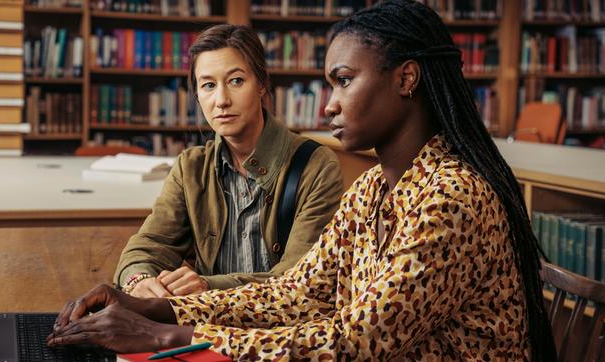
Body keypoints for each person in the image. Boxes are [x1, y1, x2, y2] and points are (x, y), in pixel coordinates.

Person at [47, 1, 556, 360]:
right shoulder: (374, 188)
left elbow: (356, 343)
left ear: (405, 79)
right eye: (329, 83)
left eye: (344, 80)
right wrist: (153, 304)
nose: (328, 104)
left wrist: (164, 336)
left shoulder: (453, 196)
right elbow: (297, 293)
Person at [114, 24, 344, 298]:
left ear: (261, 84)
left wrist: (207, 286)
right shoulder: (191, 168)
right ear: (198, 96)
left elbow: (298, 280)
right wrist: (139, 281)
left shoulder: (316, 166)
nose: (221, 100)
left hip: (283, 331)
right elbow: (147, 246)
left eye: (236, 81)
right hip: (204, 329)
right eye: (208, 85)